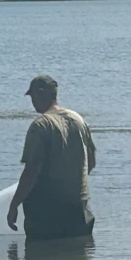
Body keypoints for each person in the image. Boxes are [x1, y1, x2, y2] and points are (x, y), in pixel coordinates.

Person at [7, 75, 96, 239]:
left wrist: (14, 205)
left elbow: (31, 171)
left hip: (47, 214)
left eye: (33, 96)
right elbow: (90, 163)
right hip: (80, 210)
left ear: (42, 94)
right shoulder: (79, 120)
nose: (32, 101)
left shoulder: (40, 126)